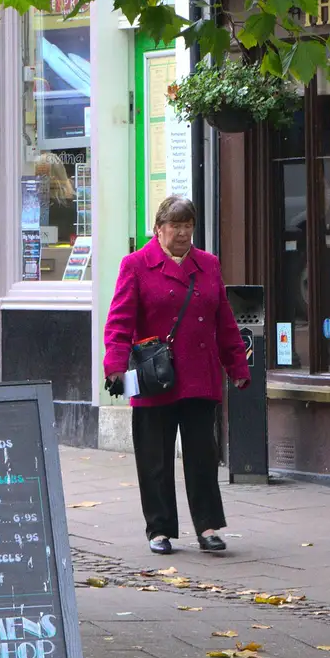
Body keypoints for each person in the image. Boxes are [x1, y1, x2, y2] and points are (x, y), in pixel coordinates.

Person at [103, 196, 250, 555]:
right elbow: (119, 321)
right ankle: (160, 529)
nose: (183, 233)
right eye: (176, 226)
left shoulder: (208, 265)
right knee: (155, 459)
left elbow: (224, 322)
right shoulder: (136, 265)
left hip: (199, 376)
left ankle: (209, 527)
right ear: (158, 229)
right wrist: (115, 367)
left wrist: (237, 366)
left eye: (188, 227)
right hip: (156, 377)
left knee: (202, 455)